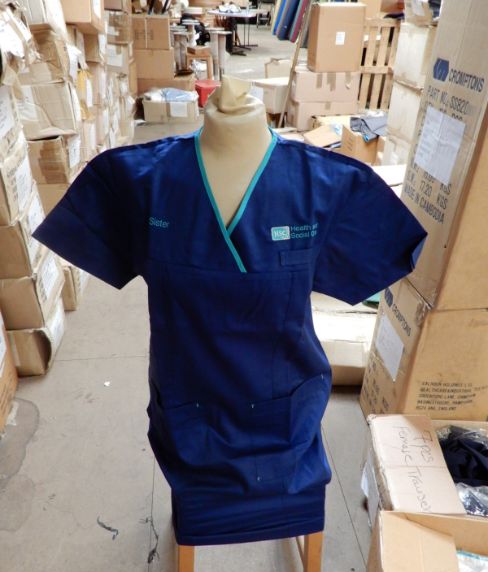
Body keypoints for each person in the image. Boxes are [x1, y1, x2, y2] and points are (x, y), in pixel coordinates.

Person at [34, 77, 426, 546]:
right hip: (188, 413)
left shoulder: (325, 186)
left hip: (286, 417)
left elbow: (395, 246)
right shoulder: (140, 181)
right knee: (192, 466)